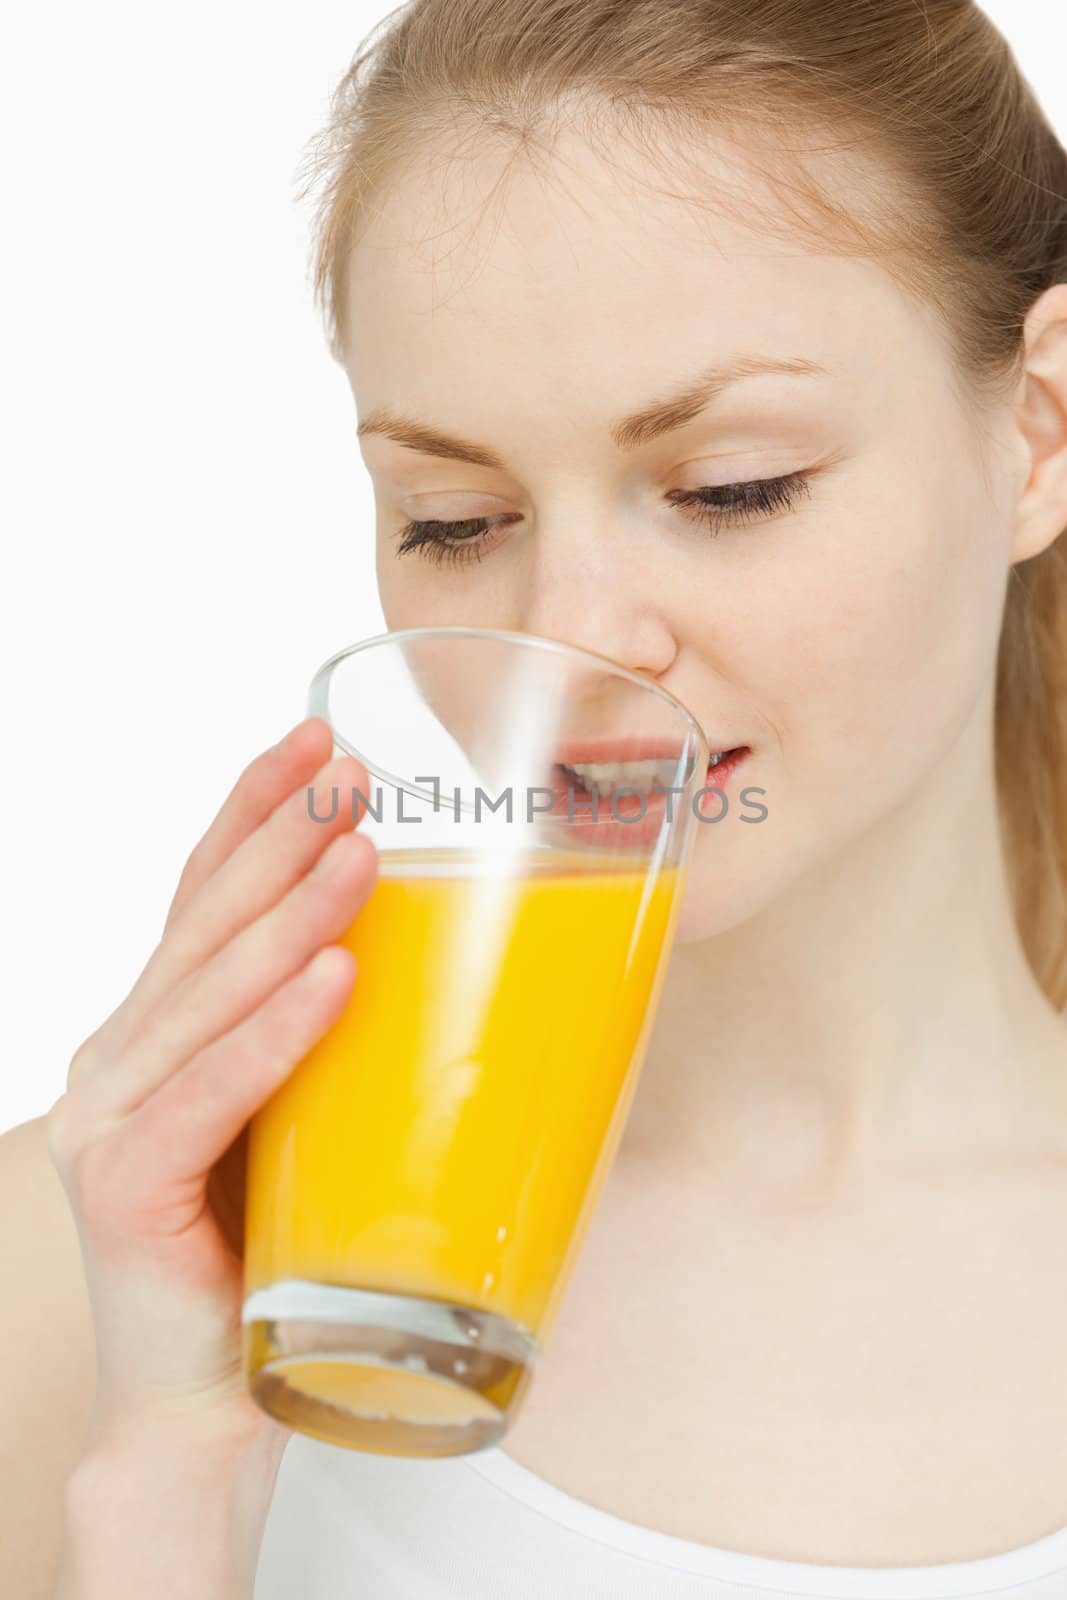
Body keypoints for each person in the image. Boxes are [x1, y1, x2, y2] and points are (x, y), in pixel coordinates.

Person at [4, 0, 1067, 1595]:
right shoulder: (106, 1263)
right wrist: (156, 1486)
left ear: (1041, 430)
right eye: (454, 518)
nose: (566, 643)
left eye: (731, 488)